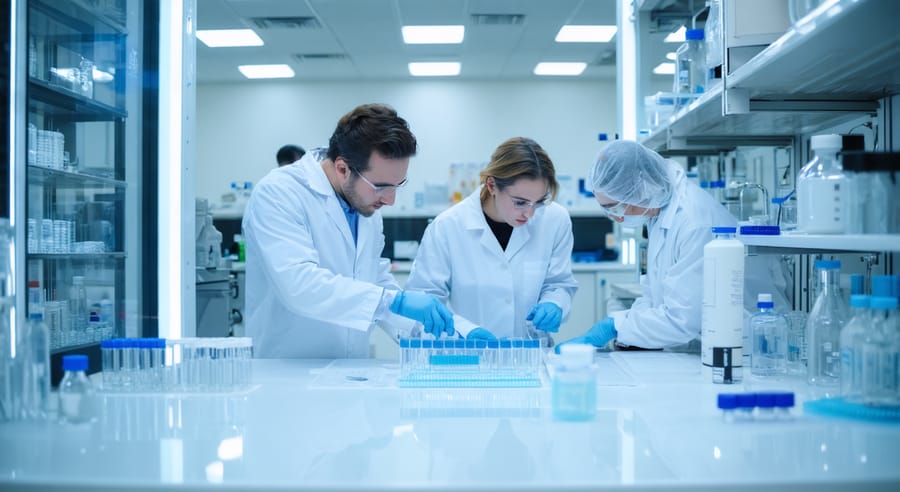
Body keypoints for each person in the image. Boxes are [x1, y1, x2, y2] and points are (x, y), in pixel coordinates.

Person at [242, 104, 454, 358]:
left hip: (350, 372)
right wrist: (392, 301)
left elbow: (374, 280)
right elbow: (299, 286)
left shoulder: (364, 205)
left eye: (398, 185)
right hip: (289, 372)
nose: (390, 200)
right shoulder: (279, 193)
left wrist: (444, 332)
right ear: (343, 168)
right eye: (381, 186)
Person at [559, 140, 790, 351]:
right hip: (698, 344)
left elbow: (682, 319)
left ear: (641, 188)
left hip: (748, 348)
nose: (614, 217)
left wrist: (616, 326)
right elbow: (653, 293)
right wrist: (628, 332)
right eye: (606, 209)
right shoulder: (658, 212)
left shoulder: (695, 222)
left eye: (615, 207)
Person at [405, 137, 578, 341]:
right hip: (470, 355)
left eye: (538, 202)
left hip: (530, 354)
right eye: (520, 202)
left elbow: (559, 283)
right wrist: (464, 331)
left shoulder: (555, 220)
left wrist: (555, 303)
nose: (530, 213)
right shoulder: (447, 227)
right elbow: (425, 300)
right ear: (492, 185)